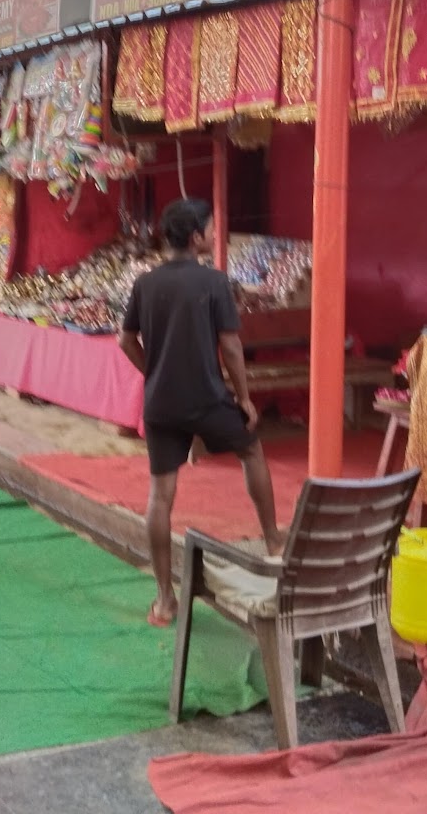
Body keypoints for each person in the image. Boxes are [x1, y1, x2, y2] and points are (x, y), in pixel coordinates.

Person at [117, 198, 285, 628]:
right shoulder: (214, 282)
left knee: (161, 495)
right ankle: (272, 542)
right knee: (251, 452)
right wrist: (244, 398)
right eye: (211, 229)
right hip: (208, 399)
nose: (215, 235)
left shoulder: (146, 283)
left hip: (161, 404)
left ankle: (164, 599)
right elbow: (230, 347)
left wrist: (153, 371)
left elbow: (126, 341)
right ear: (195, 238)